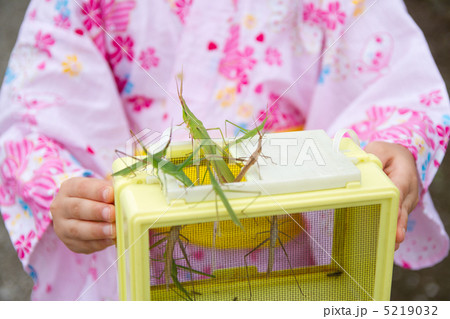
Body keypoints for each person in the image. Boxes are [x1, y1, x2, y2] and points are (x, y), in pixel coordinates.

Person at [0, 0, 448, 300]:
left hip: (289, 239)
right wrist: (70, 193)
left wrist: (393, 147)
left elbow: (396, 81)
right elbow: (37, 107)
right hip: (137, 243)